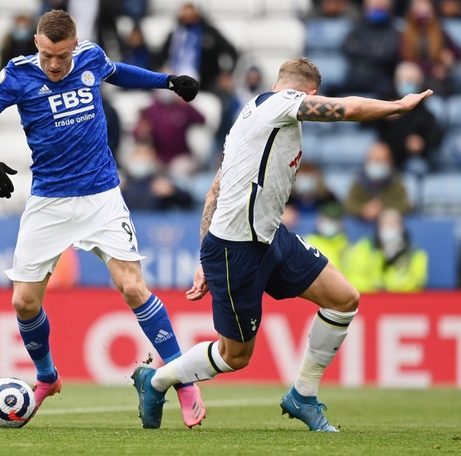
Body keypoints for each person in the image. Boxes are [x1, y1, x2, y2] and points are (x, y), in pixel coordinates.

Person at [130, 57, 433, 431]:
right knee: (235, 356)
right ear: (306, 92)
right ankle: (155, 380)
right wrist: (398, 105)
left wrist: (202, 249)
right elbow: (347, 109)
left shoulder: (250, 117)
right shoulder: (280, 105)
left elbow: (216, 188)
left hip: (271, 237)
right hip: (236, 247)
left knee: (343, 299)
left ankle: (302, 395)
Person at [0, 10, 205, 428]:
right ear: (37, 42)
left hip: (101, 196)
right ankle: (47, 378)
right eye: (47, 55)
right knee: (23, 301)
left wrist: (167, 81)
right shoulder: (17, 74)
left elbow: (118, 72)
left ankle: (182, 378)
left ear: (75, 45)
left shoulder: (90, 57)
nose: (54, 65)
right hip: (48, 202)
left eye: (62, 56)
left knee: (132, 287)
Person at [368, 61, 443, 175]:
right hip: (389, 155)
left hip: (410, 159)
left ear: (419, 84)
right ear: (396, 81)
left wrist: (422, 143)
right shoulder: (384, 102)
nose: (407, 84)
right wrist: (382, 115)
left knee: (416, 166)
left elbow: (436, 135)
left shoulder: (423, 111)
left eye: (411, 81)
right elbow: (365, 123)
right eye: (404, 80)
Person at [156, 2, 239, 92]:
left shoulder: (209, 33)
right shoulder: (175, 35)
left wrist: (226, 73)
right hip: (176, 79)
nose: (188, 17)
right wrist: (160, 68)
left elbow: (231, 51)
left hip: (205, 82)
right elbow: (159, 57)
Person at [346, 208, 428, 292]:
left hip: (402, 300)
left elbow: (417, 282)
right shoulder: (364, 247)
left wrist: (389, 285)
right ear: (378, 226)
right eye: (385, 223)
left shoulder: (415, 253)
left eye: (394, 223)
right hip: (370, 298)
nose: (390, 227)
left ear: (402, 226)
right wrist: (376, 286)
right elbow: (354, 277)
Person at [133, 86, 206, 177]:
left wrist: (187, 104)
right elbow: (136, 132)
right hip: (157, 155)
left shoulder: (182, 107)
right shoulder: (151, 109)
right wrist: (143, 132)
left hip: (179, 155)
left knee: (181, 173)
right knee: (140, 167)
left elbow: (202, 119)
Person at [338, 0, 400, 97]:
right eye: (374, 4)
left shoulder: (394, 29)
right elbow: (346, 48)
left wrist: (360, 48)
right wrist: (374, 49)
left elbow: (387, 54)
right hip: (355, 78)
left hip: (381, 80)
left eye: (381, 4)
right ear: (365, 6)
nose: (377, 7)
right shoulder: (357, 26)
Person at [400, 0, 461, 96]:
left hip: (437, 78)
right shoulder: (405, 34)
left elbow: (457, 52)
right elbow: (406, 59)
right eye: (418, 7)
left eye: (425, 7)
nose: (422, 11)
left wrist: (449, 59)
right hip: (417, 76)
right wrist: (431, 70)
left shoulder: (439, 32)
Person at [344, 141, 412, 221]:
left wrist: (382, 209)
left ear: (390, 162)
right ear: (367, 161)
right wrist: (364, 210)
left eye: (381, 160)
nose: (378, 163)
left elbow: (405, 206)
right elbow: (348, 205)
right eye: (374, 160)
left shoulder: (396, 181)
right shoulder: (359, 181)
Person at [120, 141, 194, 212]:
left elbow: (188, 202)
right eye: (138, 153)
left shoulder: (162, 179)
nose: (141, 157)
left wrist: (173, 192)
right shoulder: (122, 183)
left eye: (146, 154)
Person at [303, 202, 351, 272]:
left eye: (334, 220)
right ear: (318, 219)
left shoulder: (346, 245)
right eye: (325, 219)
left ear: (341, 223)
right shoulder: (307, 243)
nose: (329, 223)